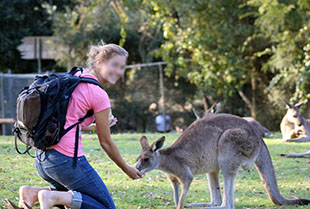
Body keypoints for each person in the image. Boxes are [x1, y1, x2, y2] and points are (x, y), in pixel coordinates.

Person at [5, 43, 144, 209]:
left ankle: (32, 193)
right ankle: (49, 196)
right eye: (114, 65)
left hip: (43, 159)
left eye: (122, 67)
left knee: (76, 198)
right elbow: (105, 142)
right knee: (106, 207)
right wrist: (126, 168)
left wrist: (94, 127)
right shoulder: (99, 94)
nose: (119, 71)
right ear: (99, 62)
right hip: (66, 161)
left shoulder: (74, 77)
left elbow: (69, 122)